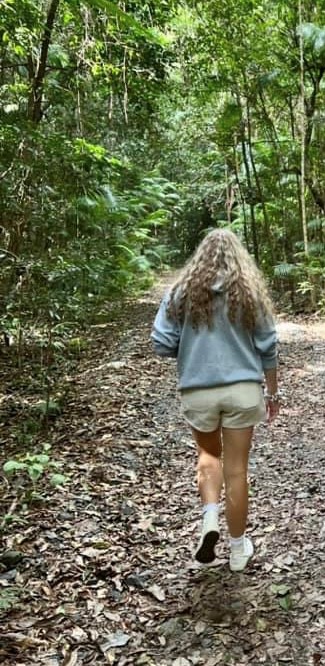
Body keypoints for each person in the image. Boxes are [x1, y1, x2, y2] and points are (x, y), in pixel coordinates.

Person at [151, 229, 279, 572]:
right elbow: (268, 345)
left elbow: (162, 342)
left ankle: (210, 518)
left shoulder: (181, 292)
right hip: (243, 390)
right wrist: (273, 391)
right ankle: (238, 550)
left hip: (198, 390)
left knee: (208, 456)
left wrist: (193, 349)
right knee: (237, 470)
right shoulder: (249, 293)